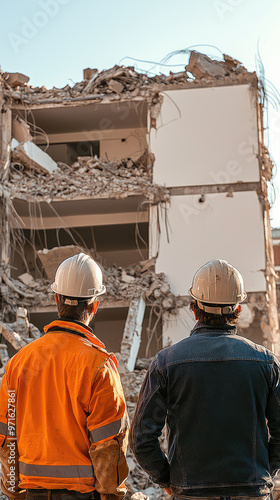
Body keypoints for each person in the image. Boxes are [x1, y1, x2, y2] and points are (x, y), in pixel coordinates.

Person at [129, 259, 280, 500]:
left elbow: (141, 438)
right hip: (251, 491)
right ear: (238, 309)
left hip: (190, 492)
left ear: (194, 307)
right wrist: (263, 472)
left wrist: (168, 480)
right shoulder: (265, 362)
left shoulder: (166, 363)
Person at [0, 252, 128, 500]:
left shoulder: (18, 363)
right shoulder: (98, 365)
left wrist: (15, 492)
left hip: (31, 494)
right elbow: (107, 447)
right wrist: (111, 496)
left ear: (57, 298)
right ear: (94, 305)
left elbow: (7, 438)